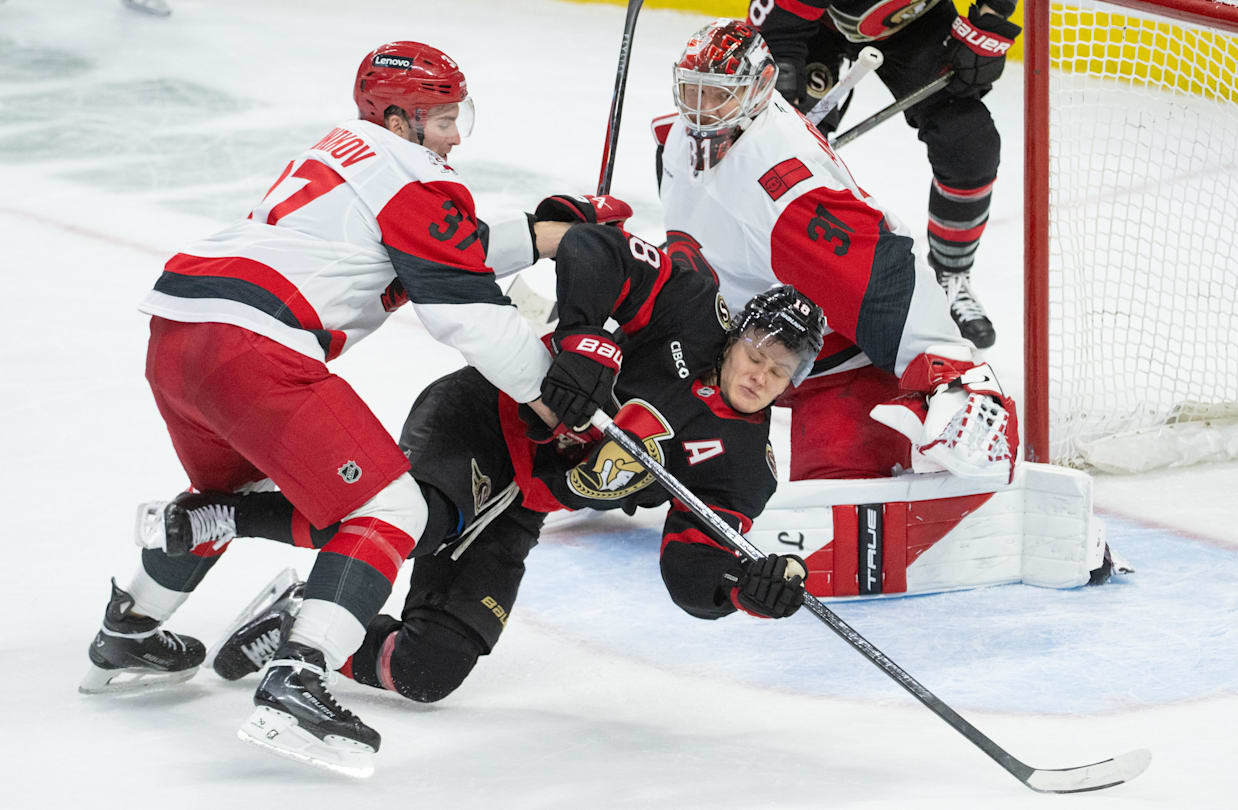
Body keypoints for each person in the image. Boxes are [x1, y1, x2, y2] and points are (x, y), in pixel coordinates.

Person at [78, 41, 624, 774]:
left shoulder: (349, 153)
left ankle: (129, 632)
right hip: (254, 348)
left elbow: (444, 244)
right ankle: (297, 680)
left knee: (232, 495)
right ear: (399, 120)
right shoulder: (414, 176)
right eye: (442, 121)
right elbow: (463, 310)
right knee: (393, 510)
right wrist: (557, 400)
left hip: (179, 335)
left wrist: (544, 234)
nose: (454, 138)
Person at [128, 224, 825, 774]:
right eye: (757, 352)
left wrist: (740, 588)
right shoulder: (690, 309)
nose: (761, 374)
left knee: (426, 673)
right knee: (422, 522)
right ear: (737, 332)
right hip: (483, 418)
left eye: (781, 369)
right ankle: (226, 516)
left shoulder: (745, 468)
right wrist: (586, 339)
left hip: (524, 504)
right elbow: (592, 246)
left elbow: (689, 569)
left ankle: (292, 619)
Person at [654, 18, 1016, 484]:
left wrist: (953, 377)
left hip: (835, 366)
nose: (701, 110)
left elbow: (885, 276)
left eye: (718, 94)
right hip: (724, 345)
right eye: (693, 91)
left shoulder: (787, 192)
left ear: (760, 88)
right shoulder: (679, 136)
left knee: (839, 501)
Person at [748, 0, 1022, 349]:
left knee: (967, 140)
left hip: (913, 22)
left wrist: (989, 23)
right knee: (777, 139)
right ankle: (760, 267)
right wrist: (783, 104)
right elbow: (779, 28)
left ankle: (952, 278)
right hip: (813, 26)